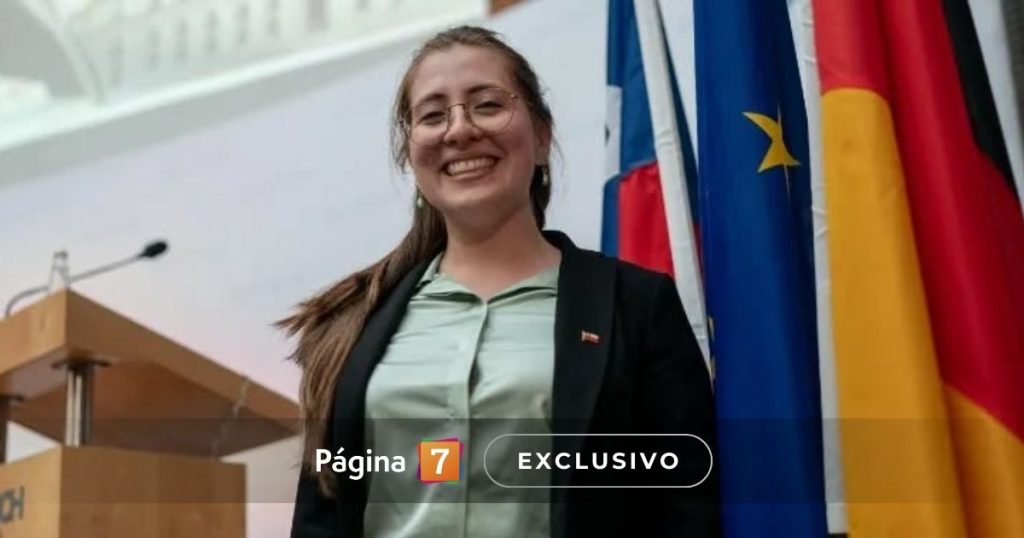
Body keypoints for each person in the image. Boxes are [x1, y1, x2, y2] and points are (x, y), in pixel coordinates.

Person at [281, 25, 718, 538]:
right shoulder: (354, 322)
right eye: (432, 115)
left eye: (487, 105)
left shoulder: (637, 306)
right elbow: (320, 518)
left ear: (542, 137)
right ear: (409, 153)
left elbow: (688, 513)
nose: (459, 130)